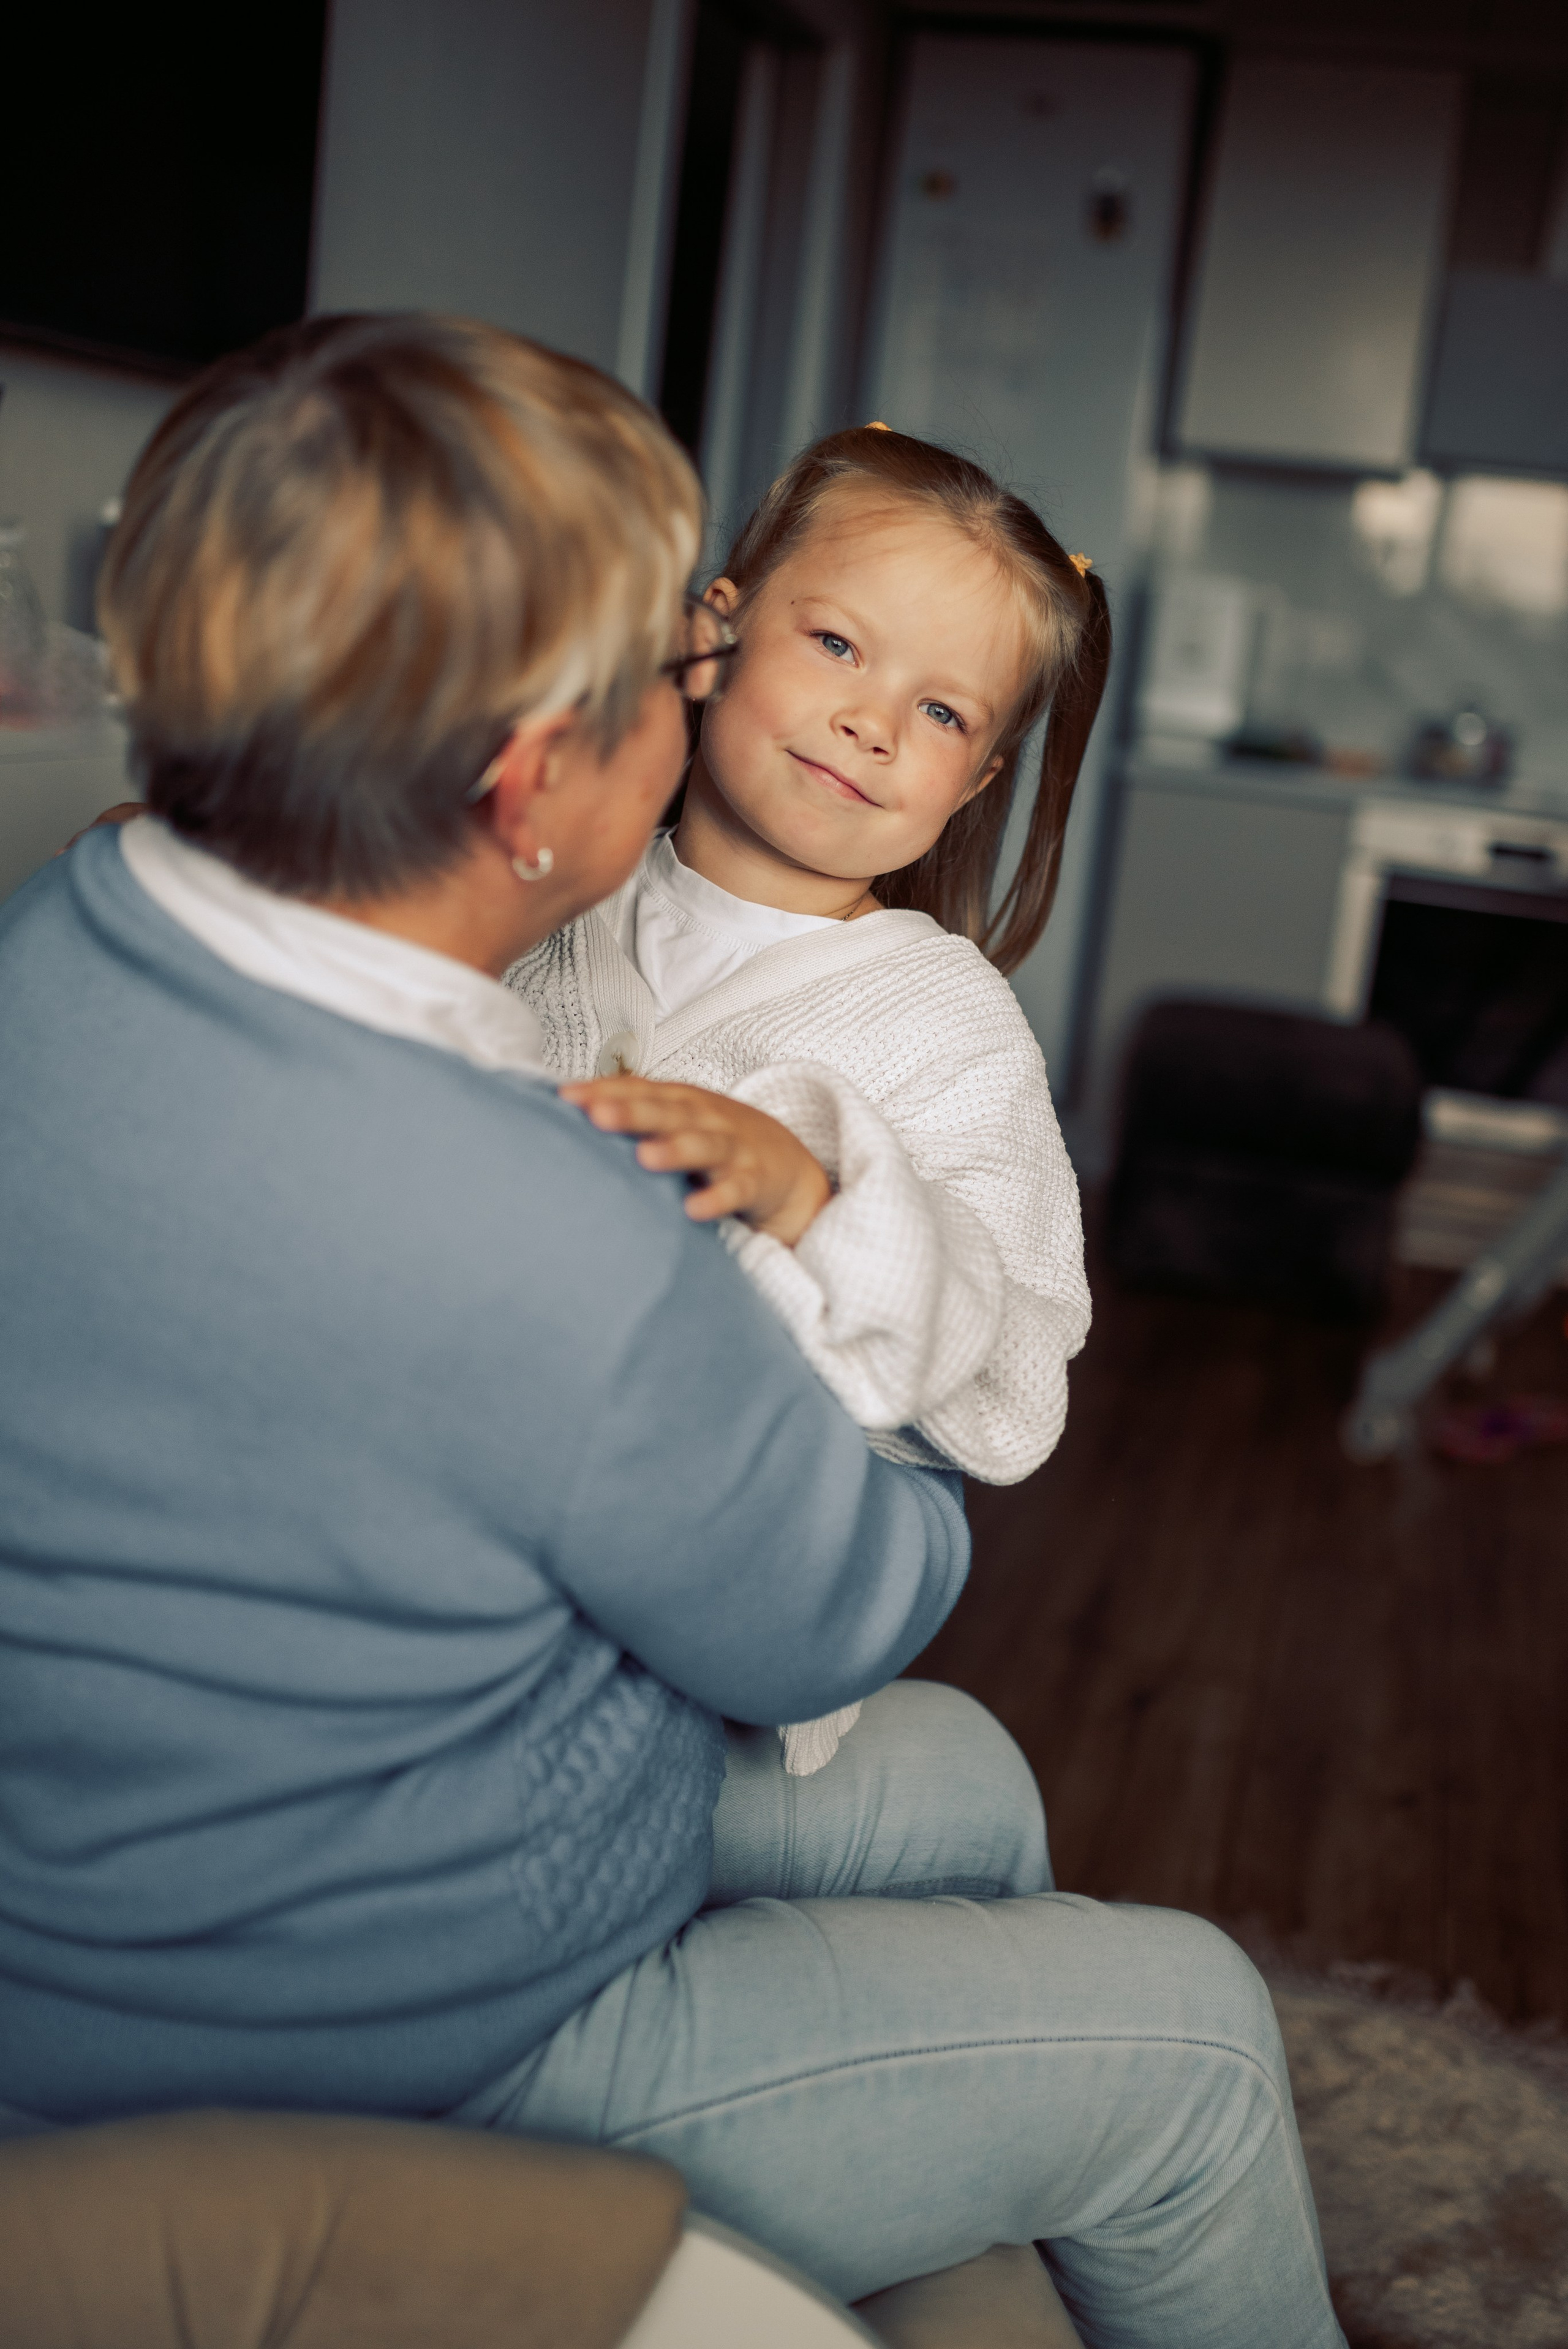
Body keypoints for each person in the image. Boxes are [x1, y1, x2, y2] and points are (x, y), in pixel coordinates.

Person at [0, 313, 1344, 2349]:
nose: (721, 681)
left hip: (136, 1867)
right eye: (679, 660)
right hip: (373, 2039)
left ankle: (932, 2227)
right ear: (532, 779)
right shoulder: (564, 1215)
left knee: (971, 1785)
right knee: (1201, 2028)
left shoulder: (63, 928)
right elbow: (839, 1606)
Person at [510, 427, 1104, 1773]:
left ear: (978, 782)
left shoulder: (947, 1022)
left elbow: (1015, 1372)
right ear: (712, 634)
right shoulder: (551, 890)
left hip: (713, 1612)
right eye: (837, 644)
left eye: (943, 714)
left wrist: (818, 1200)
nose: (873, 723)